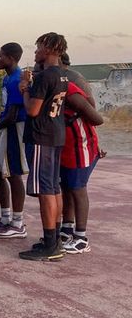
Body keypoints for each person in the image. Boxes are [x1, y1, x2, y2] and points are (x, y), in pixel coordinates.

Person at [18, 32, 69, 261]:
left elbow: (32, 110)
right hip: (56, 134)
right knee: (54, 187)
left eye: (38, 47)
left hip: (41, 135)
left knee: (45, 190)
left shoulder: (45, 77)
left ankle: (50, 244)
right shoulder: (62, 75)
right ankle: (55, 237)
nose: (36, 51)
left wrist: (25, 88)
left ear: (48, 48)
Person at [60, 62, 104, 253]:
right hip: (67, 146)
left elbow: (96, 117)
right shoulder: (51, 86)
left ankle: (81, 237)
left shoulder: (72, 86)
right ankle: (67, 228)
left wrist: (73, 116)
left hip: (81, 145)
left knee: (78, 188)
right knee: (67, 187)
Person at [0, 43, 29, 239]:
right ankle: (5, 216)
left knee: (14, 174)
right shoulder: (6, 78)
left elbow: (13, 114)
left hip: (15, 128)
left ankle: (18, 222)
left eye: (0, 56)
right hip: (6, 128)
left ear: (11, 58)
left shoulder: (17, 79)